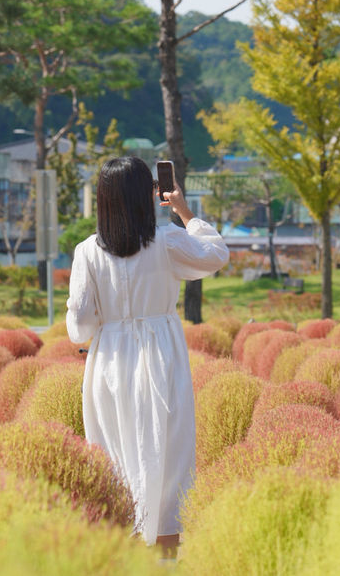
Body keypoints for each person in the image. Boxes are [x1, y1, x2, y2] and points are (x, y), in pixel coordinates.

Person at [66, 156, 229, 555]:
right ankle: (167, 552)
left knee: (114, 451)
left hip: (110, 360)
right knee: (168, 450)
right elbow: (215, 255)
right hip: (161, 352)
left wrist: (98, 330)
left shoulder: (87, 251)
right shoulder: (167, 241)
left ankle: (123, 547)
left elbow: (81, 322)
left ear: (102, 200)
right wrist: (184, 210)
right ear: (148, 195)